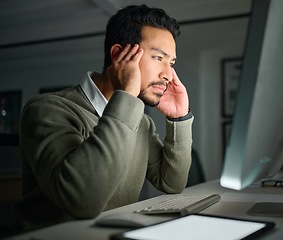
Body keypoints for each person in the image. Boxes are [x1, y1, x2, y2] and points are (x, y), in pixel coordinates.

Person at [16, 4, 193, 231]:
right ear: (119, 55)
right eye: (159, 58)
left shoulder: (140, 122)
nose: (168, 75)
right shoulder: (47, 109)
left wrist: (179, 118)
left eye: (171, 63)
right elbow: (83, 202)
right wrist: (127, 95)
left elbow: (172, 183)